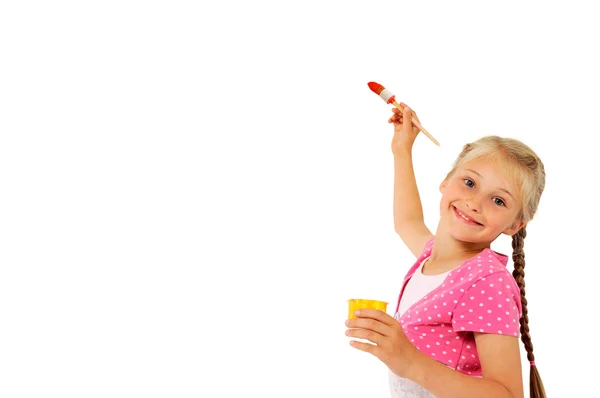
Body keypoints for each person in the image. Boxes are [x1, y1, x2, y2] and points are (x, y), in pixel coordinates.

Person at [344, 104, 547, 398]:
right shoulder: (434, 258)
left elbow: (508, 395)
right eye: (469, 183)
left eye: (498, 201)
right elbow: (406, 221)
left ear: (514, 225)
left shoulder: (486, 283)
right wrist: (403, 149)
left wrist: (411, 362)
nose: (475, 202)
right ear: (445, 181)